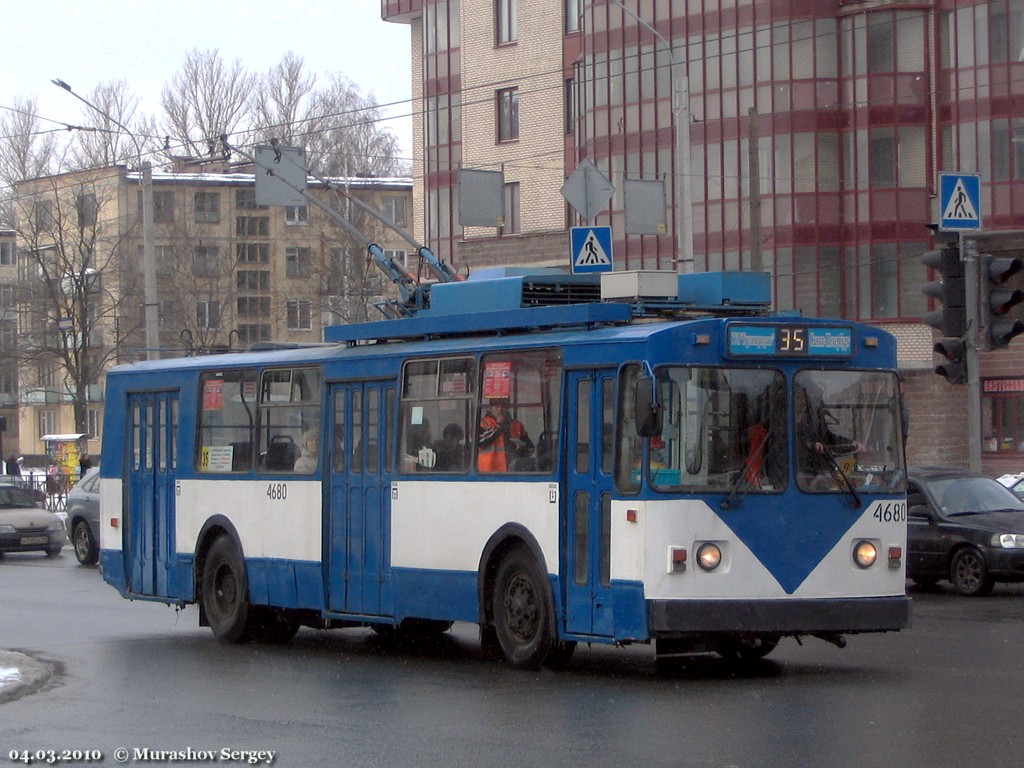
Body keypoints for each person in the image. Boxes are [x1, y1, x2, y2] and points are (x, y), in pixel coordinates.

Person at [795, 383, 863, 484]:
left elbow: (828, 436)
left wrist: (851, 443)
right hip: (799, 473)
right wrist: (811, 445)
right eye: (800, 398)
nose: (804, 402)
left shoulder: (813, 419)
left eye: (807, 398)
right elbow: (790, 441)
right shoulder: (783, 421)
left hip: (820, 470)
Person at [477, 398, 533, 472]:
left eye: (503, 406)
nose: (500, 410)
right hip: (488, 473)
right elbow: (482, 442)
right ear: (491, 408)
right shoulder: (483, 423)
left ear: (507, 408)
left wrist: (521, 449)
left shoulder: (517, 425)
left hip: (512, 472)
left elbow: (530, 448)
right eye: (496, 406)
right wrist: (498, 426)